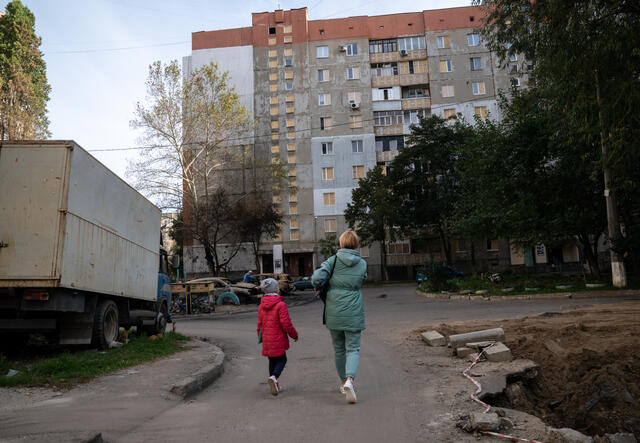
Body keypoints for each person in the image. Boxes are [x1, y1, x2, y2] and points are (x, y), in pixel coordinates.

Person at [311, 229, 367, 404]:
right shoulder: (362, 263)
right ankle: (351, 380)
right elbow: (362, 279)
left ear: (341, 243)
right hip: (354, 309)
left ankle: (343, 382)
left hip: (334, 310)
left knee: (339, 348)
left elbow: (316, 278)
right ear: (357, 244)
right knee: (353, 348)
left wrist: (321, 284)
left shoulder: (333, 260)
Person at [256, 278, 298, 396]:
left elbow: (259, 324)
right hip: (278, 339)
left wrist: (261, 337)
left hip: (267, 339)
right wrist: (294, 335)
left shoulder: (261, 306)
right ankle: (274, 377)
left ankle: (274, 382)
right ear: (277, 289)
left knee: (272, 360)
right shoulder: (280, 305)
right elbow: (286, 323)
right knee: (282, 359)